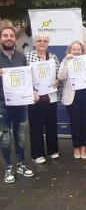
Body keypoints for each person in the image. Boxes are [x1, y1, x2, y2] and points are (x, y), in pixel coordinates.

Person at [0, 26, 35, 183]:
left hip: (20, 104)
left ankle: (21, 164)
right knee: (5, 138)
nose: (8, 38)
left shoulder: (21, 56)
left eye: (11, 36)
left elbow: (26, 79)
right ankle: (8, 168)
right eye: (5, 35)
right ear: (1, 38)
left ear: (15, 39)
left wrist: (32, 92)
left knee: (20, 136)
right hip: (2, 105)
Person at [26, 34, 60, 164]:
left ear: (48, 43)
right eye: (39, 41)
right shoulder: (28, 57)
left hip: (50, 96)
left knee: (51, 124)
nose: (42, 43)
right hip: (34, 97)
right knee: (36, 126)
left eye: (45, 41)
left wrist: (57, 81)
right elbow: (25, 76)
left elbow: (57, 74)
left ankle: (53, 151)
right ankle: (37, 154)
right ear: (35, 43)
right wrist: (32, 92)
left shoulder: (53, 57)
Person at [58, 41, 86, 160]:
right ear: (69, 51)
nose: (76, 52)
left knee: (85, 124)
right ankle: (76, 147)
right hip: (72, 98)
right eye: (74, 49)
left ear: (82, 51)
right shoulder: (66, 62)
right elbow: (61, 76)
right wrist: (66, 60)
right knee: (75, 124)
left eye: (79, 50)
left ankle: (83, 146)